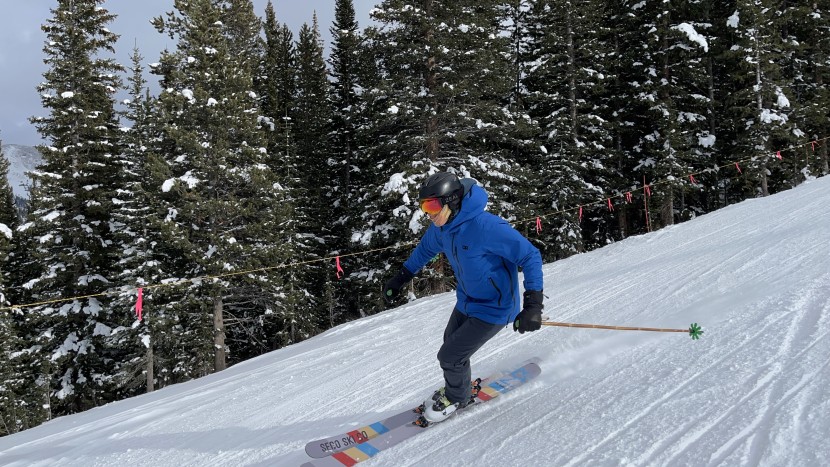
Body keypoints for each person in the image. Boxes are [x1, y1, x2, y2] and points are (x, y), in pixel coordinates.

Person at [383, 171, 544, 424]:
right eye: (424, 206)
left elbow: (530, 256)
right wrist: (401, 277)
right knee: (452, 346)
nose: (429, 213)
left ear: (453, 201)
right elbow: (424, 251)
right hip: (467, 301)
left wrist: (533, 305)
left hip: (495, 308)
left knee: (450, 356)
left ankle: (458, 397)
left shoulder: (487, 227)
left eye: (433, 205)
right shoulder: (442, 228)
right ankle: (458, 386)